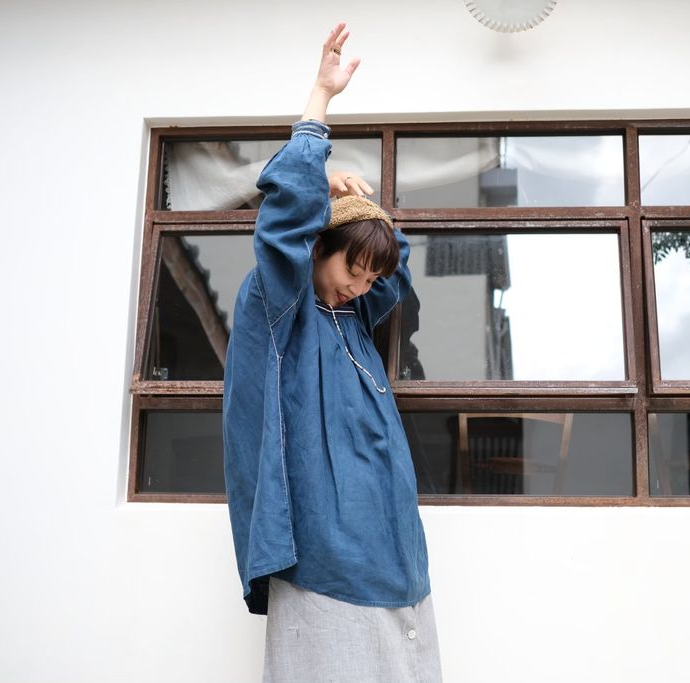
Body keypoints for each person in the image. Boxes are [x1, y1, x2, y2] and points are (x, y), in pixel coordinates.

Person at [222, 22, 443, 682]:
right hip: (324, 558)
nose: (361, 287)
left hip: (395, 554)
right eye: (352, 269)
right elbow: (284, 217)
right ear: (316, 247)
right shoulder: (280, 311)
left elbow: (396, 261)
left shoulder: (352, 318)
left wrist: (362, 211)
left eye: (370, 280)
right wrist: (320, 138)